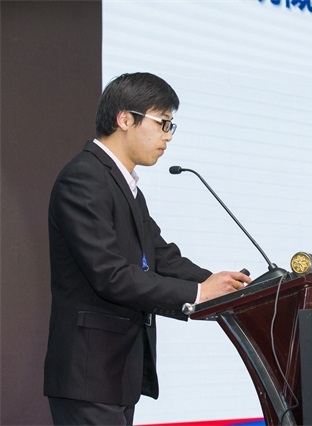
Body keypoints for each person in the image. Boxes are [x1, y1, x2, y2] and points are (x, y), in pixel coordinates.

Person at [43, 72, 251, 425]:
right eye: (162, 123)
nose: (168, 136)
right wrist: (199, 292)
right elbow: (111, 275)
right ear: (125, 119)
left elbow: (162, 257)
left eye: (171, 126)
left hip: (112, 376)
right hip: (88, 375)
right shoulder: (84, 178)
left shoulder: (124, 186)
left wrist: (223, 286)